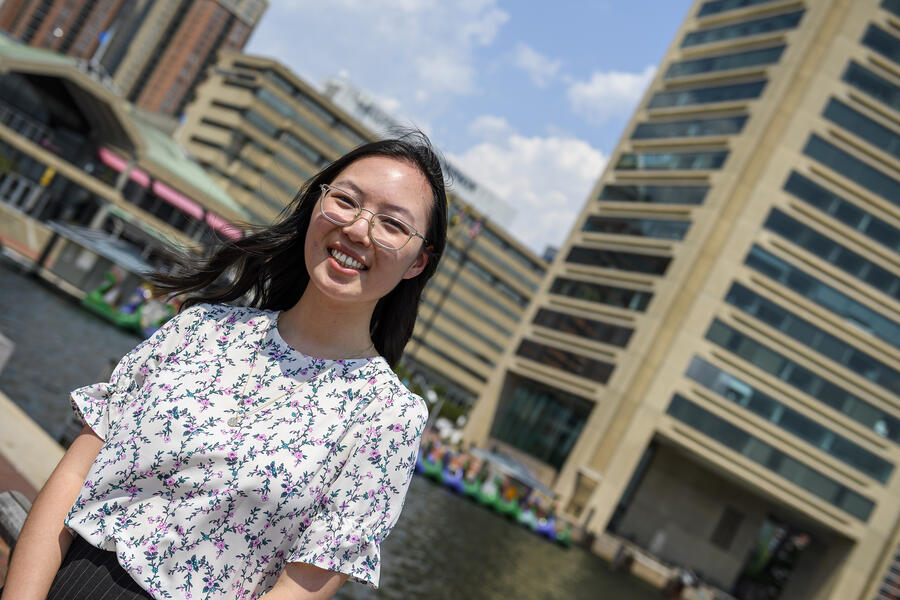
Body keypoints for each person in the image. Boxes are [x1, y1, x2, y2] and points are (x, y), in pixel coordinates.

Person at [2, 132, 448, 600]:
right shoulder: (201, 328)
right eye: (346, 200)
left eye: (393, 225)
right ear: (316, 205)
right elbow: (75, 476)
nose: (358, 229)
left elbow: (301, 589)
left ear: (418, 262)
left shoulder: (389, 418)